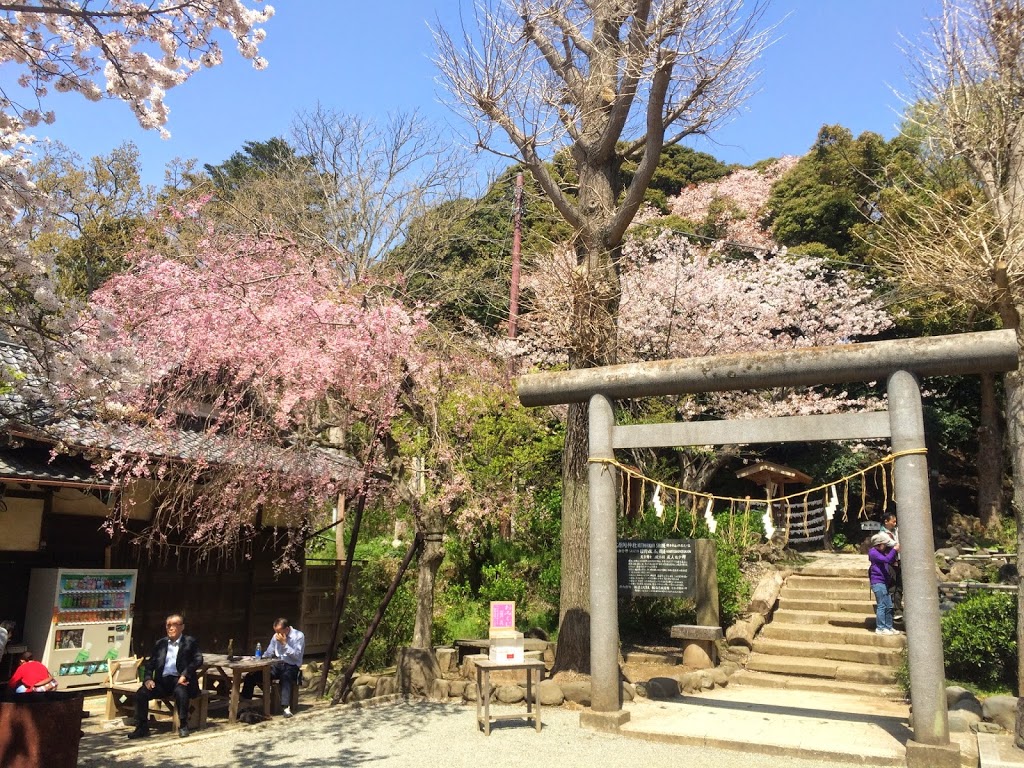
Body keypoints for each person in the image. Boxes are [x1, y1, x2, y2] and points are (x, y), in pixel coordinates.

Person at [128, 614, 203, 739]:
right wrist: (147, 679)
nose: (171, 628)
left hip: (180, 680)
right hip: (162, 681)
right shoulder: (160, 643)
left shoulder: (190, 642)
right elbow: (150, 664)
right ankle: (142, 726)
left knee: (181, 691)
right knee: (141, 693)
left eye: (174, 625)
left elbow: (198, 660)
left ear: (182, 627)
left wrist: (185, 674)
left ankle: (183, 725)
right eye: (168, 625)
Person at [241, 617, 305, 718]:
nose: (277, 634)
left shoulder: (298, 636)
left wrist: (284, 644)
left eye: (279, 631)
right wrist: (259, 658)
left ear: (287, 629)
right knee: (251, 676)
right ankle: (244, 704)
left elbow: (297, 655)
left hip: (292, 666)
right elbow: (269, 652)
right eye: (276, 632)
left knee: (286, 676)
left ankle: (285, 707)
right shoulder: (275, 636)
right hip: (276, 664)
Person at [869, 532, 900, 635]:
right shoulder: (873, 553)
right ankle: (880, 627)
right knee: (882, 605)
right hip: (878, 582)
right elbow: (887, 560)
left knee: (889, 605)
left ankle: (888, 626)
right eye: (884, 544)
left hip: (884, 582)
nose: (886, 546)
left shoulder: (881, 552)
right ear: (878, 544)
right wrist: (895, 549)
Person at [877, 512, 903, 620]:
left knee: (899, 586)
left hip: (898, 562)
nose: (895, 523)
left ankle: (898, 609)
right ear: (886, 522)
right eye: (893, 521)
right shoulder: (882, 534)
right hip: (889, 563)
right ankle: (891, 609)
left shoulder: (895, 531)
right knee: (892, 586)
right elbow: (894, 545)